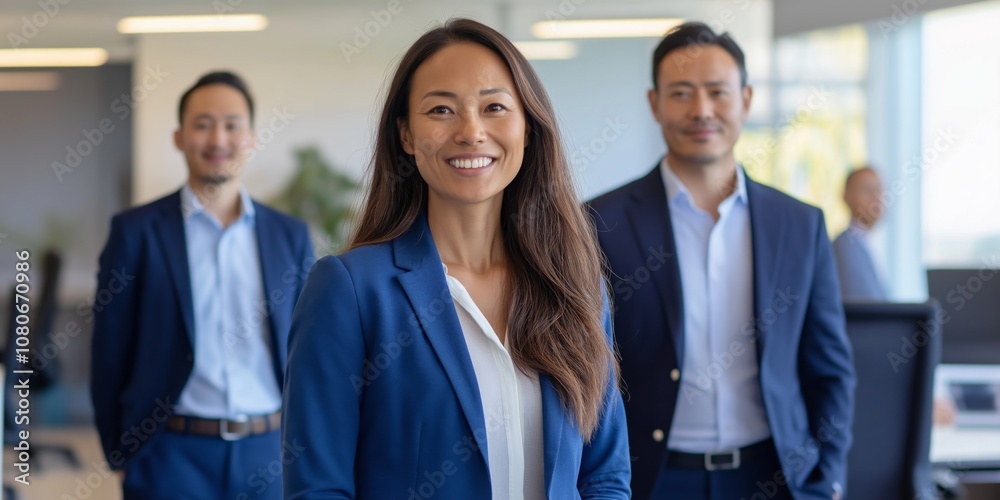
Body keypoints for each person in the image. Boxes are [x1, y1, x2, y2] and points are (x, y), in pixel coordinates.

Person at [282, 18, 630, 499]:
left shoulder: (574, 287)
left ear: (527, 128)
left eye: (494, 107)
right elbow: (318, 487)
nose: (471, 131)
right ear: (405, 134)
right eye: (441, 109)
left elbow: (604, 475)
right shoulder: (351, 290)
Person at [588, 22, 855, 499]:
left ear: (746, 99)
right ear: (654, 103)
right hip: (648, 479)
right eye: (682, 93)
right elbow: (583, 369)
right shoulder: (599, 223)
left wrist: (826, 477)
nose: (701, 110)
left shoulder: (798, 224)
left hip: (772, 477)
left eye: (717, 92)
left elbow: (829, 369)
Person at [91, 71, 314, 500]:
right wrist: (120, 454)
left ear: (250, 137)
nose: (218, 138)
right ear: (179, 137)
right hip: (170, 455)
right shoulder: (136, 232)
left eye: (232, 124)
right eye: (202, 123)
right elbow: (109, 351)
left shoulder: (290, 236)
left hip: (269, 454)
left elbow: (311, 350)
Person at [832, 166, 888, 300]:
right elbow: (868, 306)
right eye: (868, 190)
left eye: (879, 190)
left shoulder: (864, 242)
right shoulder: (845, 245)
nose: (876, 198)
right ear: (846, 196)